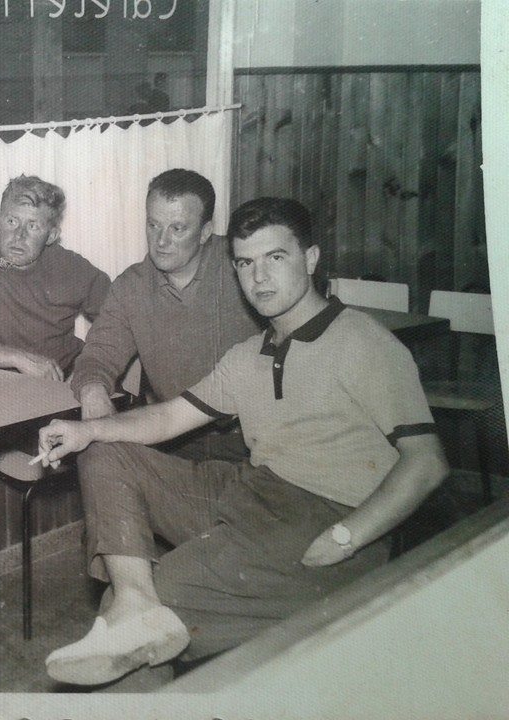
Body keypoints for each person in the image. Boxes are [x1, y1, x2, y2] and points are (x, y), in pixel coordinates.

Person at [36, 197, 448, 686]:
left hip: (325, 516)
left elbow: (428, 463)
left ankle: (136, 606)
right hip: (254, 490)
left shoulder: (363, 341)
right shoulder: (249, 354)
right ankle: (134, 599)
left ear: (311, 260)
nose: (259, 278)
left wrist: (348, 536)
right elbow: (168, 418)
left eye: (276, 258)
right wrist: (86, 429)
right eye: (246, 263)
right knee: (104, 452)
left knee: (150, 610)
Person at [71, 169, 261, 462]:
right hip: (170, 439)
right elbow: (98, 355)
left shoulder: (244, 266)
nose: (161, 241)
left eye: (177, 228)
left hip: (250, 440)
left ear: (206, 232)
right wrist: (93, 392)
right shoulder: (131, 286)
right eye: (153, 225)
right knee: (98, 460)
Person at [0, 174, 110, 381]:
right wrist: (14, 357)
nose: (19, 236)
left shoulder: (74, 269)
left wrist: (90, 373)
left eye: (33, 226)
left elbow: (121, 323)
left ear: (51, 235)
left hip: (57, 384)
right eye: (12, 221)